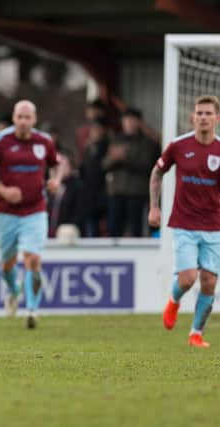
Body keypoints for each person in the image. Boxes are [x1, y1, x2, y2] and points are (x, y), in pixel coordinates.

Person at [0, 100, 63, 328]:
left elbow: (58, 164)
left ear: (34, 120)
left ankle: (32, 311)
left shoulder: (44, 142)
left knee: (33, 259)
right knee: (7, 264)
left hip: (35, 209)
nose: (23, 122)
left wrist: (56, 180)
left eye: (28, 117)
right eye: (19, 117)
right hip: (6, 211)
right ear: (14, 119)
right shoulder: (0, 141)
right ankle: (14, 291)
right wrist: (3, 190)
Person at [149, 95, 220, 348]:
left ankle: (196, 334)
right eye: (199, 113)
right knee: (188, 278)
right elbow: (157, 172)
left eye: (208, 113)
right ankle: (174, 300)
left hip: (213, 226)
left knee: (209, 282)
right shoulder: (178, 146)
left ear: (216, 118)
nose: (203, 117)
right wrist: (154, 208)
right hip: (184, 224)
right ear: (193, 117)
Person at [103, 108, 160, 237]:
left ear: (138, 122)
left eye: (131, 120)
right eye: (125, 120)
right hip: (116, 191)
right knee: (113, 228)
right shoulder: (116, 139)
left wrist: (125, 156)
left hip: (136, 192)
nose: (128, 123)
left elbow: (147, 164)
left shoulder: (146, 142)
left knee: (136, 228)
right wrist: (113, 158)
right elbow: (104, 164)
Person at [80, 117, 109, 237]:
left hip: (103, 191)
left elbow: (103, 167)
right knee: (91, 226)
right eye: (93, 130)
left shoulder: (107, 147)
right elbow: (83, 168)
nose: (95, 133)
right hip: (89, 193)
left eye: (98, 129)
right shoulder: (88, 148)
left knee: (105, 225)